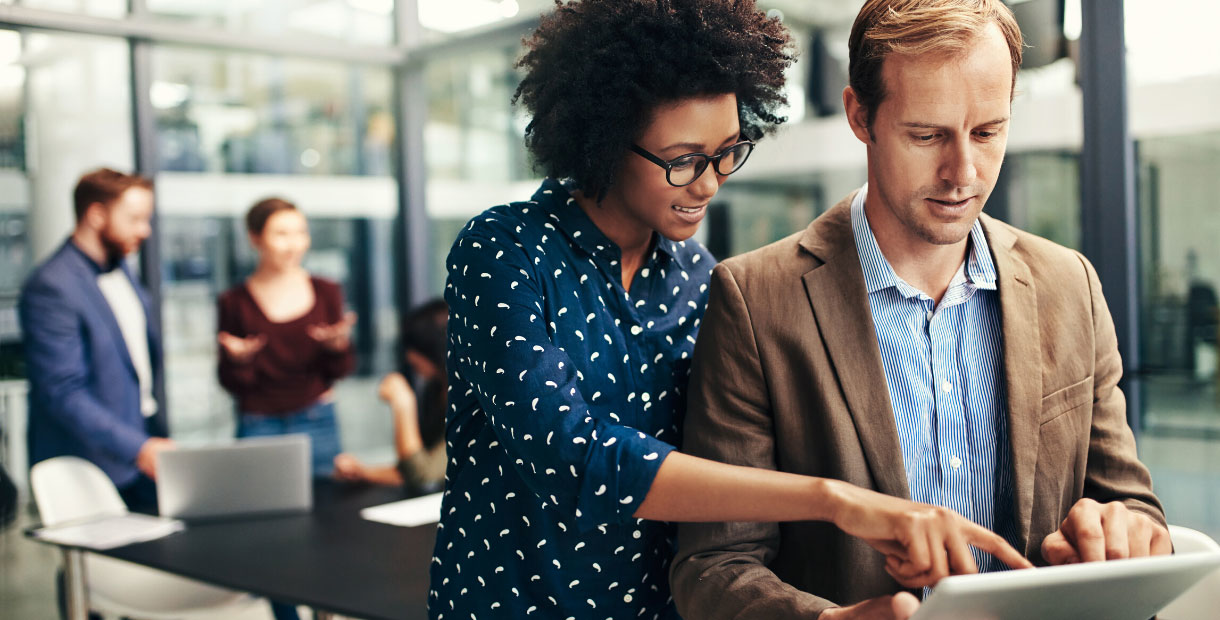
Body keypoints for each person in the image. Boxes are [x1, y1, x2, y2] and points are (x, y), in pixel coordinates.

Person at [431, 2, 1029, 618]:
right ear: (605, 137)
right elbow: (575, 457)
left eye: (726, 152)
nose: (710, 183)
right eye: (683, 159)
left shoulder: (697, 276)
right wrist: (835, 500)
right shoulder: (504, 252)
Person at [670, 1, 1170, 618]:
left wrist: (1126, 532)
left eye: (987, 132)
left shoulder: (1071, 285)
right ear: (860, 115)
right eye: (927, 135)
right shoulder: (755, 300)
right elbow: (713, 565)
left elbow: (1135, 507)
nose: (963, 172)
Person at [21, 168, 174, 516]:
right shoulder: (52, 286)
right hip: (93, 459)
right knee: (94, 568)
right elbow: (62, 390)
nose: (145, 231)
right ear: (95, 215)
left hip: (141, 444)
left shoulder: (122, 270)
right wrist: (138, 447)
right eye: (135, 219)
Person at [217, 197, 355, 480]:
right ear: (255, 238)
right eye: (281, 234)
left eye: (300, 232)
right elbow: (231, 383)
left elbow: (340, 371)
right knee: (260, 506)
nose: (294, 244)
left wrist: (337, 347)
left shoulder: (327, 291)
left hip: (318, 419)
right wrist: (239, 361)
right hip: (258, 424)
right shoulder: (234, 302)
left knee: (327, 509)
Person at [333, 299, 448, 495]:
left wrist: (403, 404)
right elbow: (412, 465)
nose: (409, 357)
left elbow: (423, 476)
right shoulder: (434, 390)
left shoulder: (472, 401)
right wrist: (364, 472)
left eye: (413, 347)